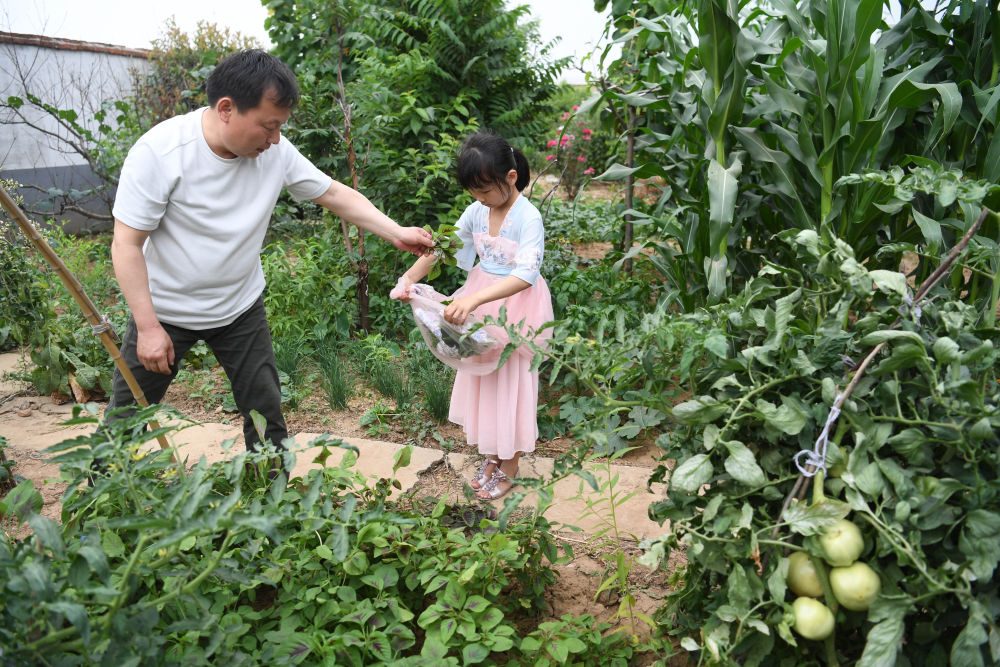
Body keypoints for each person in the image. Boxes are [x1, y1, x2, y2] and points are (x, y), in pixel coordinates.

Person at [104, 49, 432, 461]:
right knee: (127, 417)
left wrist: (396, 232)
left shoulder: (274, 151)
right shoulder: (161, 152)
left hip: (239, 308)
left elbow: (332, 193)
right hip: (165, 310)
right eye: (268, 126)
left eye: (280, 127)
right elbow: (126, 244)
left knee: (265, 412)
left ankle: (273, 494)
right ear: (226, 109)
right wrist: (148, 327)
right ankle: (100, 496)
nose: (275, 139)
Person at [392, 131, 553, 500]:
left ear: (510, 177)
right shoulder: (477, 211)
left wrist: (475, 299)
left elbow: (526, 274)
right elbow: (443, 249)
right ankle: (494, 455)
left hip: (516, 307)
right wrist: (408, 279)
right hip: (481, 300)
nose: (480, 199)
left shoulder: (528, 218)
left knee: (511, 385)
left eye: (485, 191)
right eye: (474, 192)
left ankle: (510, 467)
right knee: (486, 382)